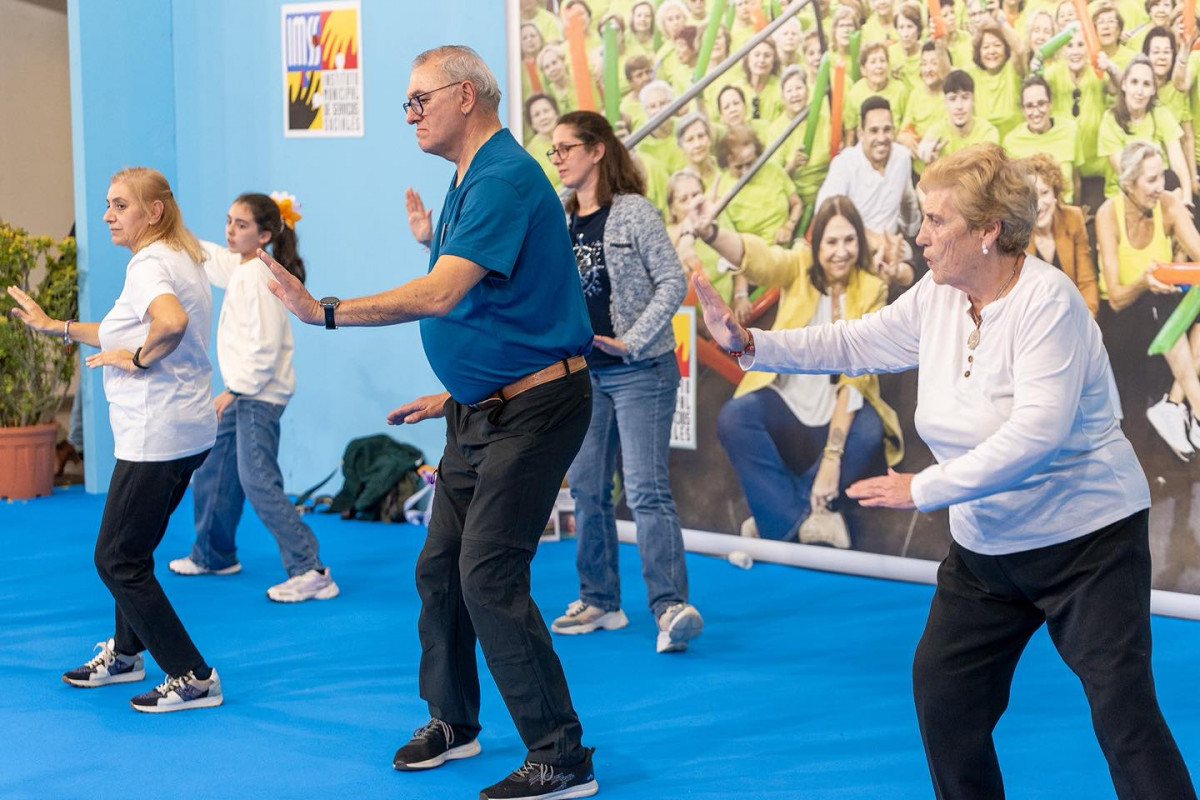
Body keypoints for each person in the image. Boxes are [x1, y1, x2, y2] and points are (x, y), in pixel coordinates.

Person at [693, 142, 1199, 800]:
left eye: (936, 220)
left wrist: (923, 487)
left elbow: (1036, 437)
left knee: (1124, 717)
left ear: (988, 231)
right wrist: (752, 343)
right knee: (945, 698)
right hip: (988, 549)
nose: (920, 235)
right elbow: (854, 339)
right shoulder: (938, 295)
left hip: (1087, 544)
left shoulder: (1049, 303)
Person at [265, 46, 598, 799]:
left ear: (466, 96)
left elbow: (443, 294)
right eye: (408, 103)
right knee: (439, 567)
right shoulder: (468, 178)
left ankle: (561, 755)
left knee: (488, 573)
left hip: (534, 412)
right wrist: (456, 391)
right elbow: (500, 307)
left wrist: (325, 310)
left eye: (420, 99)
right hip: (482, 409)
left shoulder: (503, 176)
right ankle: (454, 721)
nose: (410, 114)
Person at [7, 167, 222, 713]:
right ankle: (127, 654)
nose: (107, 215)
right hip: (187, 429)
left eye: (120, 205)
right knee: (135, 550)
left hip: (156, 435)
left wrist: (140, 359)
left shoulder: (148, 264)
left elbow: (168, 323)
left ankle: (193, 675)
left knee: (116, 558)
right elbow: (122, 329)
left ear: (154, 211)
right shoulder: (181, 256)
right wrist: (56, 326)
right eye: (108, 204)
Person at [543, 111, 702, 654]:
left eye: (566, 148)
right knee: (588, 489)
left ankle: (670, 608)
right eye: (553, 150)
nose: (558, 158)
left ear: (597, 151)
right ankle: (600, 600)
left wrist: (630, 341)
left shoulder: (632, 212)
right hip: (585, 376)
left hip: (641, 372)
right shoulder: (561, 215)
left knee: (646, 490)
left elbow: (672, 282)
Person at [688, 195, 904, 543]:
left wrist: (832, 459)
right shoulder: (799, 265)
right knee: (734, 417)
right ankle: (804, 519)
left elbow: (857, 377)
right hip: (788, 402)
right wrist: (711, 232)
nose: (841, 252)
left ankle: (775, 517)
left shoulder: (871, 287)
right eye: (831, 242)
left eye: (849, 240)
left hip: (840, 406)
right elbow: (761, 260)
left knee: (869, 431)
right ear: (816, 245)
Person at [166, 192, 339, 604]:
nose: (230, 230)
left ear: (264, 235)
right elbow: (210, 257)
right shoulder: (244, 266)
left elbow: (265, 345)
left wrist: (235, 390)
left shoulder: (261, 278)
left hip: (257, 395)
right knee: (214, 472)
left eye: (241, 225)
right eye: (229, 221)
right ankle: (213, 555)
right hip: (244, 392)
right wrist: (169, 227)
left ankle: (310, 570)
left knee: (258, 479)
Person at [1096, 141, 1200, 460]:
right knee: (1160, 306)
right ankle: (1193, 408)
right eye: (1151, 179)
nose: (1160, 186)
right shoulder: (1108, 214)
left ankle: (1174, 403)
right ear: (1129, 182)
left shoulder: (1168, 204)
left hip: (1162, 303)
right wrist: (1143, 280)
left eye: (1161, 177)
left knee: (1170, 304)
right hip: (1123, 313)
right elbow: (1116, 297)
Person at [1097, 54, 1191, 204]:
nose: (1139, 91)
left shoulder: (1160, 113)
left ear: (1153, 89)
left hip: (1161, 191)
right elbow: (1128, 174)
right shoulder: (1110, 120)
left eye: (1146, 84)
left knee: (1173, 182)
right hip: (1125, 196)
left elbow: (1179, 164)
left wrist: (1186, 201)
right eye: (1134, 82)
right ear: (1124, 85)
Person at [1023, 153, 1099, 316]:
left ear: (1055, 194)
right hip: (1034, 320)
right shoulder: (1015, 232)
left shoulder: (1073, 218)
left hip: (1075, 316)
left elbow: (1086, 282)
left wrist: (1087, 321)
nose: (1038, 205)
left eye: (1044, 193)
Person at [1002, 75, 1081, 202]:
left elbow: (1076, 180)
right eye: (1029, 106)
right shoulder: (1011, 141)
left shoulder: (1070, 130)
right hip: (1031, 211)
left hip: (1064, 208)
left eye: (1041, 103)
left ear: (1050, 103)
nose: (1036, 112)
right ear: (1022, 110)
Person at [917, 69, 1000, 164]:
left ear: (973, 100)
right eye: (952, 99)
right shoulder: (937, 131)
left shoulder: (988, 132)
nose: (959, 106)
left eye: (965, 98)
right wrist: (928, 155)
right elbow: (925, 146)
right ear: (945, 102)